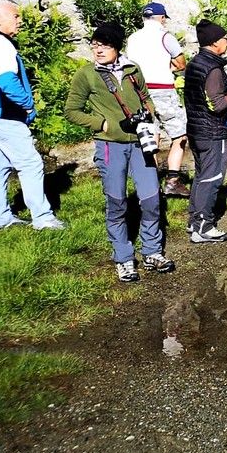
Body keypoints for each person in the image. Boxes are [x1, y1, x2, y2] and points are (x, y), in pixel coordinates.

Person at [64, 22, 174, 282]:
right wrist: (103, 124)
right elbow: (71, 111)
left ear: (117, 47)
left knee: (151, 199)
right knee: (117, 202)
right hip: (109, 145)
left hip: (140, 143)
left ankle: (152, 251)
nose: (98, 50)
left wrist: (150, 122)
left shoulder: (133, 69)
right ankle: (124, 258)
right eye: (95, 45)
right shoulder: (87, 74)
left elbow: (146, 97)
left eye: (105, 45)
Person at [0, 0, 67, 232]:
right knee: (30, 163)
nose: (20, 21)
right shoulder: (1, 44)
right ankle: (43, 218)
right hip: (5, 114)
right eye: (15, 16)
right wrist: (27, 104)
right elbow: (6, 81)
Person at [125, 2, 190, 197]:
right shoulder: (165, 36)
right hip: (163, 90)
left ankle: (152, 183)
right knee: (179, 135)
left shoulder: (132, 38)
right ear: (162, 18)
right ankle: (172, 181)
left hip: (139, 91)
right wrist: (167, 67)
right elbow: (181, 64)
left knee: (151, 135)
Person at [185, 19, 227, 243]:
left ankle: (194, 221)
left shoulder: (195, 63)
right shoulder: (213, 69)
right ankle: (204, 227)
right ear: (215, 42)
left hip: (196, 129)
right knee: (213, 177)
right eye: (226, 38)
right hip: (212, 132)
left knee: (201, 176)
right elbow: (217, 104)